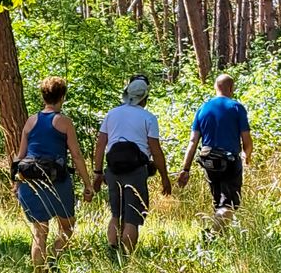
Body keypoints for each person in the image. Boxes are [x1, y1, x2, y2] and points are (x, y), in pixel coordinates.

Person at [15, 76, 93, 273]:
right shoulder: (64, 122)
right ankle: (52, 259)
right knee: (67, 227)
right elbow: (76, 155)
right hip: (56, 181)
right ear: (63, 97)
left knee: (39, 232)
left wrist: (15, 182)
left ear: (43, 96)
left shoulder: (31, 121)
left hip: (29, 181)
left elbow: (20, 155)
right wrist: (87, 184)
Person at [92, 75, 172, 254]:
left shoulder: (112, 114)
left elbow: (100, 144)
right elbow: (156, 150)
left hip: (112, 170)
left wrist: (97, 172)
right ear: (145, 97)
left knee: (115, 214)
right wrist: (165, 178)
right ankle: (127, 258)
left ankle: (113, 252)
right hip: (136, 172)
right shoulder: (148, 118)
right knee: (132, 217)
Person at [178, 74, 252, 230]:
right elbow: (246, 138)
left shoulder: (203, 109)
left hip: (209, 161)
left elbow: (193, 141)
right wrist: (247, 155)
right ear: (231, 88)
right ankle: (212, 235)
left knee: (218, 202)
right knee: (228, 204)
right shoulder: (236, 107)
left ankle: (218, 240)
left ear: (215, 87)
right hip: (230, 162)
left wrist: (185, 169)